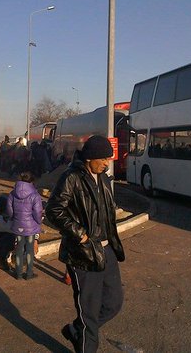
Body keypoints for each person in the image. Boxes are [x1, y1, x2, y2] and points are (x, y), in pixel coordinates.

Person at [45, 135, 125, 353]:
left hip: (106, 249)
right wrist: (80, 235)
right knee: (89, 310)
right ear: (90, 158)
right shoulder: (72, 177)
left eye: (109, 159)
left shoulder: (105, 178)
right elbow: (53, 210)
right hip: (83, 252)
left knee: (113, 303)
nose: (107, 163)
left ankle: (76, 328)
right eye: (103, 159)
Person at [5, 170, 43, 280]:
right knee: (30, 250)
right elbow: (37, 212)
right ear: (31, 181)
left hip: (18, 226)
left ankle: (18, 274)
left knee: (19, 249)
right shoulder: (35, 195)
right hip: (30, 227)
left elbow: (9, 209)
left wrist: (14, 218)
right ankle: (29, 273)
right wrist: (38, 222)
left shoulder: (13, 193)